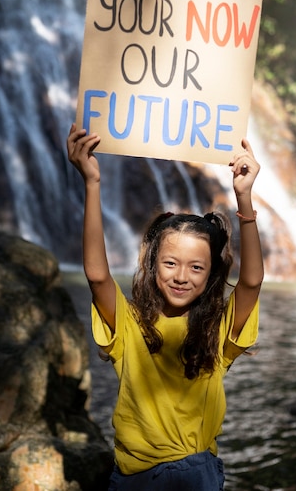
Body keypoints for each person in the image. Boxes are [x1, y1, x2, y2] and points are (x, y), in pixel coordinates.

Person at [67, 123, 264, 491]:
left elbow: (251, 282)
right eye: (170, 263)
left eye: (196, 267)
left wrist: (244, 200)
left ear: (211, 275)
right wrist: (92, 184)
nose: (181, 276)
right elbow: (96, 276)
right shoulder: (128, 323)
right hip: (133, 477)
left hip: (195, 475)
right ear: (152, 263)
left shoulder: (217, 330)